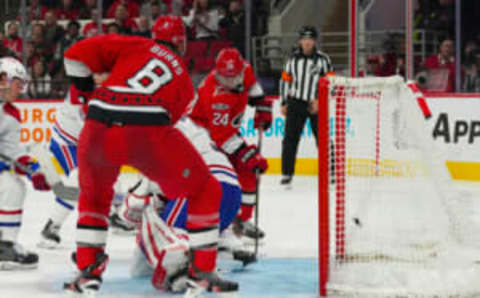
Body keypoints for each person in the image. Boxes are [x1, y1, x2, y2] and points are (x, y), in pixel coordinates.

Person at [62, 16, 238, 296]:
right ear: (181, 42)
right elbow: (169, 126)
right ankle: (202, 271)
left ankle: (87, 273)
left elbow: (72, 55)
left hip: (96, 124)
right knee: (205, 190)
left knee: (93, 198)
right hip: (147, 127)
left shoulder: (133, 44)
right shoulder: (182, 76)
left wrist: (86, 93)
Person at [37, 84, 135, 249]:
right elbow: (91, 124)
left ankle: (111, 214)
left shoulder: (111, 83)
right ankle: (51, 226)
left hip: (87, 138)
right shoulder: (82, 86)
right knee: (78, 179)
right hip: (67, 142)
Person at [190, 47, 271, 240]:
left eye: (234, 77)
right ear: (217, 73)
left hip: (226, 133)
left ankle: (241, 221)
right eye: (225, 78)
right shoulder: (216, 96)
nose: (230, 82)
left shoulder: (245, 70)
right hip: (204, 140)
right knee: (221, 182)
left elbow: (253, 87)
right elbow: (222, 137)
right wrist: (249, 155)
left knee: (249, 173)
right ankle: (221, 222)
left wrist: (262, 106)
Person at [0, 57, 50, 269]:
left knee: (13, 185)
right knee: (10, 186)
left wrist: (34, 169)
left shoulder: (11, 113)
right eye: (18, 83)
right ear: (3, 79)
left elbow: (12, 150)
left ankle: (5, 244)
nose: (20, 90)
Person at [279, 25, 332, 187]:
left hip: (316, 103)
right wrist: (283, 102)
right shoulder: (292, 60)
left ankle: (330, 172)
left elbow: (331, 83)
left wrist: (320, 100)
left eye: (310, 39)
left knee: (323, 139)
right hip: (296, 102)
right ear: (300, 41)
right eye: (304, 39)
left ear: (315, 41)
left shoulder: (324, 60)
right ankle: (287, 173)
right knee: (290, 139)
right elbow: (285, 81)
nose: (307, 43)